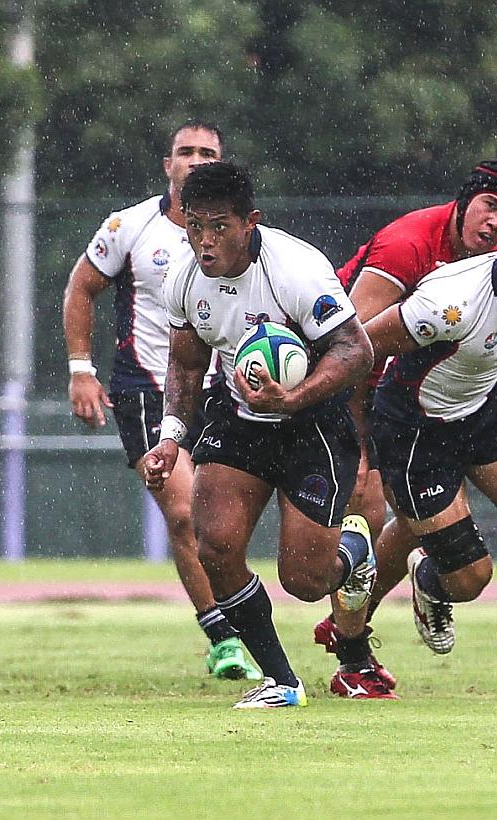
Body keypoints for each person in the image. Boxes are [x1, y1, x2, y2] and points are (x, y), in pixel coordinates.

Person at [143, 161, 376, 709]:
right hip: (239, 415)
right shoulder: (182, 276)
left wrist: (292, 398)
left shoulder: (297, 268)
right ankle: (281, 682)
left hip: (312, 422)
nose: (204, 241)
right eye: (194, 226)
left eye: (219, 226)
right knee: (215, 547)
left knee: (305, 581)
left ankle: (355, 550)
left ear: (250, 222)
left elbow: (355, 350)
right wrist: (171, 436)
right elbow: (185, 364)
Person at [313, 159, 497, 698]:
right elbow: (350, 346)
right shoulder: (409, 244)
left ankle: (352, 617)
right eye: (489, 207)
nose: (494, 225)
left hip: (414, 398)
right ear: (464, 201)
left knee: (419, 519)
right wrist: (359, 442)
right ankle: (352, 657)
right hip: (340, 381)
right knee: (364, 515)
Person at [354, 206, 497, 702]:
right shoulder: (448, 303)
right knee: (470, 579)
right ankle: (430, 577)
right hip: (415, 427)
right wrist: (355, 440)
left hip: (482, 406)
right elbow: (359, 348)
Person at [61, 120, 259, 681]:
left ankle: (248, 615)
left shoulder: (242, 233)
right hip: (148, 389)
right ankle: (222, 636)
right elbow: (81, 287)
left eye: (207, 153)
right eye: (185, 152)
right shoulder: (130, 226)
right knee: (183, 512)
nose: (195, 161)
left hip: (229, 391)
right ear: (167, 165)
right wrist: (81, 370)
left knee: (228, 522)